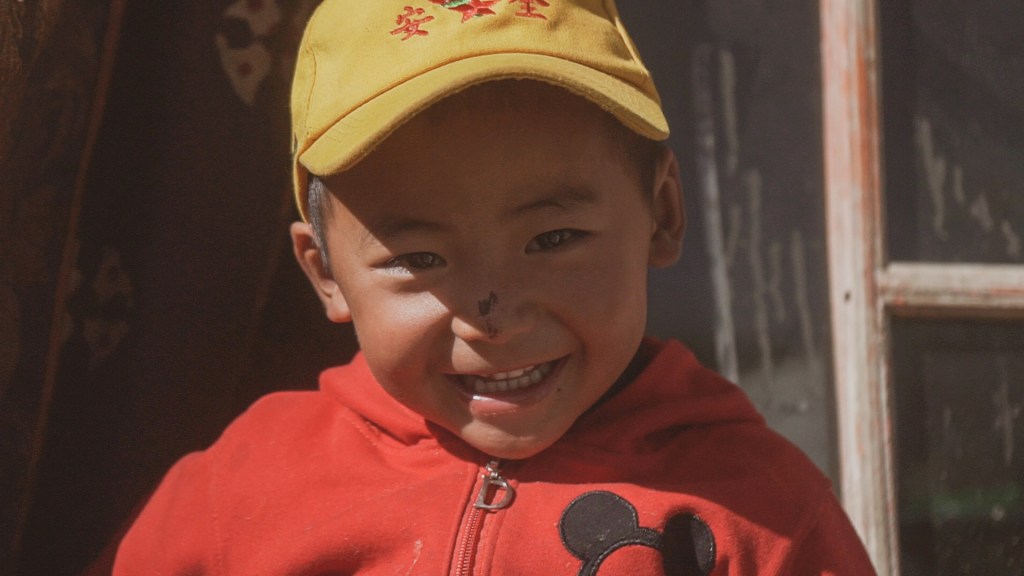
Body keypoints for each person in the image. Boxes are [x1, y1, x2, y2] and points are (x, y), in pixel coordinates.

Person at [114, 0, 876, 574]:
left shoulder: (760, 513)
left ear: (663, 215)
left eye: (553, 240)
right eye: (419, 258)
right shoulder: (243, 490)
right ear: (325, 273)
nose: (494, 314)